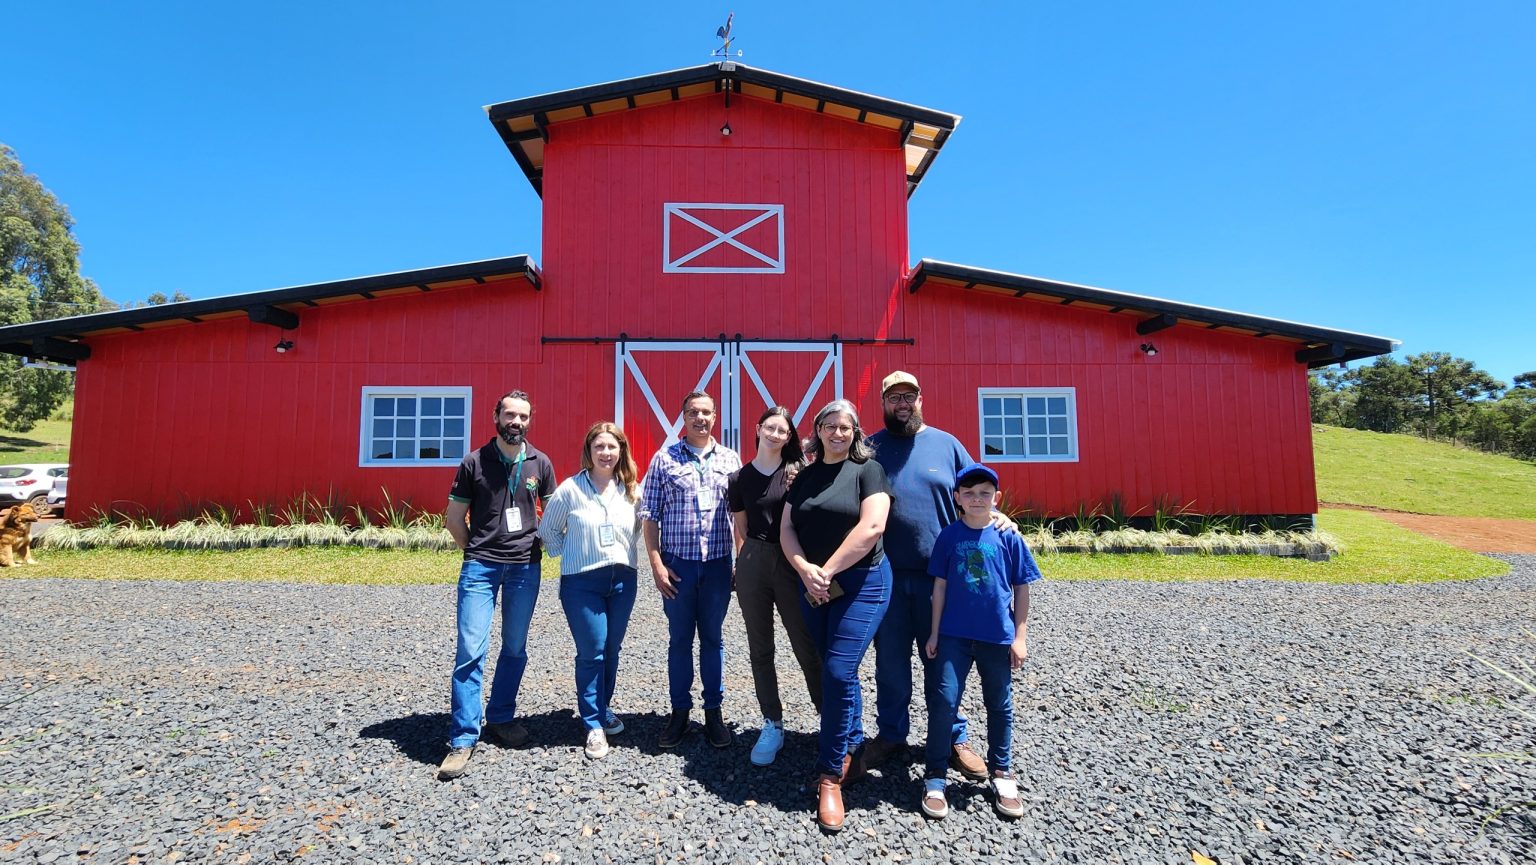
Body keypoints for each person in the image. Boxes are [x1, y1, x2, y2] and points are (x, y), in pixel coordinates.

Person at [863, 370, 991, 781]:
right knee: (891, 665)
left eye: (909, 396)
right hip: (887, 578)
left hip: (941, 581)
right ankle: (891, 735)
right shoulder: (869, 450)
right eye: (894, 397)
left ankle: (953, 737)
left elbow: (977, 489)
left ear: (921, 400)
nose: (903, 403)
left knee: (944, 663)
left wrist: (997, 517)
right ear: (883, 403)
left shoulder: (947, 444)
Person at [781, 399, 892, 833]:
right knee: (836, 667)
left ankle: (831, 776)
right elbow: (787, 528)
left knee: (839, 671)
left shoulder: (868, 470)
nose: (838, 433)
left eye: (846, 427)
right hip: (816, 586)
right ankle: (852, 747)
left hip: (862, 582)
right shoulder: (805, 477)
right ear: (818, 430)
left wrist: (824, 570)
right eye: (830, 426)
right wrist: (805, 569)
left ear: (856, 431)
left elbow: (872, 528)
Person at [438, 390, 557, 781]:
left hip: (525, 567)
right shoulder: (474, 462)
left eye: (523, 416)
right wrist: (474, 550)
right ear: (496, 416)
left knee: (515, 647)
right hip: (481, 569)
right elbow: (454, 518)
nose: (516, 422)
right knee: (471, 650)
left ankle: (502, 717)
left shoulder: (540, 462)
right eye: (510, 414)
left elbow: (554, 513)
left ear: (529, 420)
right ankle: (463, 738)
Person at [920, 463, 1041, 820]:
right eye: (969, 494)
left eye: (984, 494)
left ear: (996, 498)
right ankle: (936, 776)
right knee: (944, 702)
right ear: (957, 498)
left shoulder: (1009, 537)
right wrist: (934, 632)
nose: (977, 499)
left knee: (999, 704)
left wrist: (1020, 636)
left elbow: (1022, 587)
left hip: (996, 638)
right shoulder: (948, 536)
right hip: (954, 636)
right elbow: (939, 587)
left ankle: (1001, 772)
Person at [641, 391, 743, 749]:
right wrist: (656, 565)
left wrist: (739, 563)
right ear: (683, 417)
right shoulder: (664, 459)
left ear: (716, 416)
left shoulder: (731, 461)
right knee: (680, 641)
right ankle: (680, 713)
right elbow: (649, 517)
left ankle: (713, 713)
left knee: (713, 640)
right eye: (693, 412)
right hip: (678, 565)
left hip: (717, 565)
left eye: (706, 412)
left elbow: (738, 517)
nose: (700, 418)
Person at [538, 422, 643, 760]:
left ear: (621, 451)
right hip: (582, 582)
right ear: (589, 451)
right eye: (599, 446)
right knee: (592, 650)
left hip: (623, 579)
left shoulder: (631, 491)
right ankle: (593, 723)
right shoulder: (571, 489)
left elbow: (638, 529)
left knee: (612, 648)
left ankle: (603, 705)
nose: (606, 453)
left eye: (612, 447)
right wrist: (571, 554)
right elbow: (548, 530)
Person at [728, 406, 823, 767]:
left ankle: (828, 717)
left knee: (805, 643)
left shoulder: (797, 474)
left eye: (782, 431)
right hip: (753, 560)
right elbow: (740, 526)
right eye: (770, 427)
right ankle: (772, 722)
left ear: (788, 438)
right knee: (760, 648)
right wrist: (744, 563)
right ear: (758, 428)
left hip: (791, 561)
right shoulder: (738, 478)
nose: (775, 434)